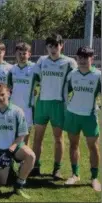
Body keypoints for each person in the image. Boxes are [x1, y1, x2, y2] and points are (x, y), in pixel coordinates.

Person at [31, 34, 78, 179]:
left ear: (61, 45)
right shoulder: (41, 61)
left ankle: (56, 169)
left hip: (58, 104)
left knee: (58, 138)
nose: (53, 49)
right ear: (46, 47)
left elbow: (74, 83)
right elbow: (36, 79)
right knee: (37, 137)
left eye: (56, 46)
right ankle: (35, 166)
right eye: (50, 46)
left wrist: (64, 94)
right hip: (42, 104)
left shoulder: (69, 62)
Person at [0, 83, 36, 199]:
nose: (0, 97)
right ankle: (11, 166)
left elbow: (22, 134)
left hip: (16, 147)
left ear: (9, 93)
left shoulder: (17, 111)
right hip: (1, 150)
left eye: (3, 94)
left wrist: (12, 147)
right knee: (3, 183)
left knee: (31, 156)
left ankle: (19, 184)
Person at [63, 46, 101, 192]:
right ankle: (75, 174)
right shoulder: (72, 74)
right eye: (80, 58)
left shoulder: (98, 75)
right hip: (73, 115)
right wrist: (67, 107)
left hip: (90, 116)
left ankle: (94, 178)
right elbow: (66, 91)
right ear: (77, 58)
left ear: (92, 58)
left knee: (93, 147)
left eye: (86, 58)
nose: (83, 61)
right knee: (73, 145)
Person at [7, 42, 39, 145]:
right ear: (15, 54)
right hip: (13, 107)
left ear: (29, 54)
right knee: (12, 134)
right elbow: (9, 88)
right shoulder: (12, 70)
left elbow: (43, 82)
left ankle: (24, 160)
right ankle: (11, 157)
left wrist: (35, 90)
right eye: (19, 53)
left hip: (28, 108)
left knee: (25, 136)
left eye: (24, 53)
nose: (21, 56)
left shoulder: (35, 68)